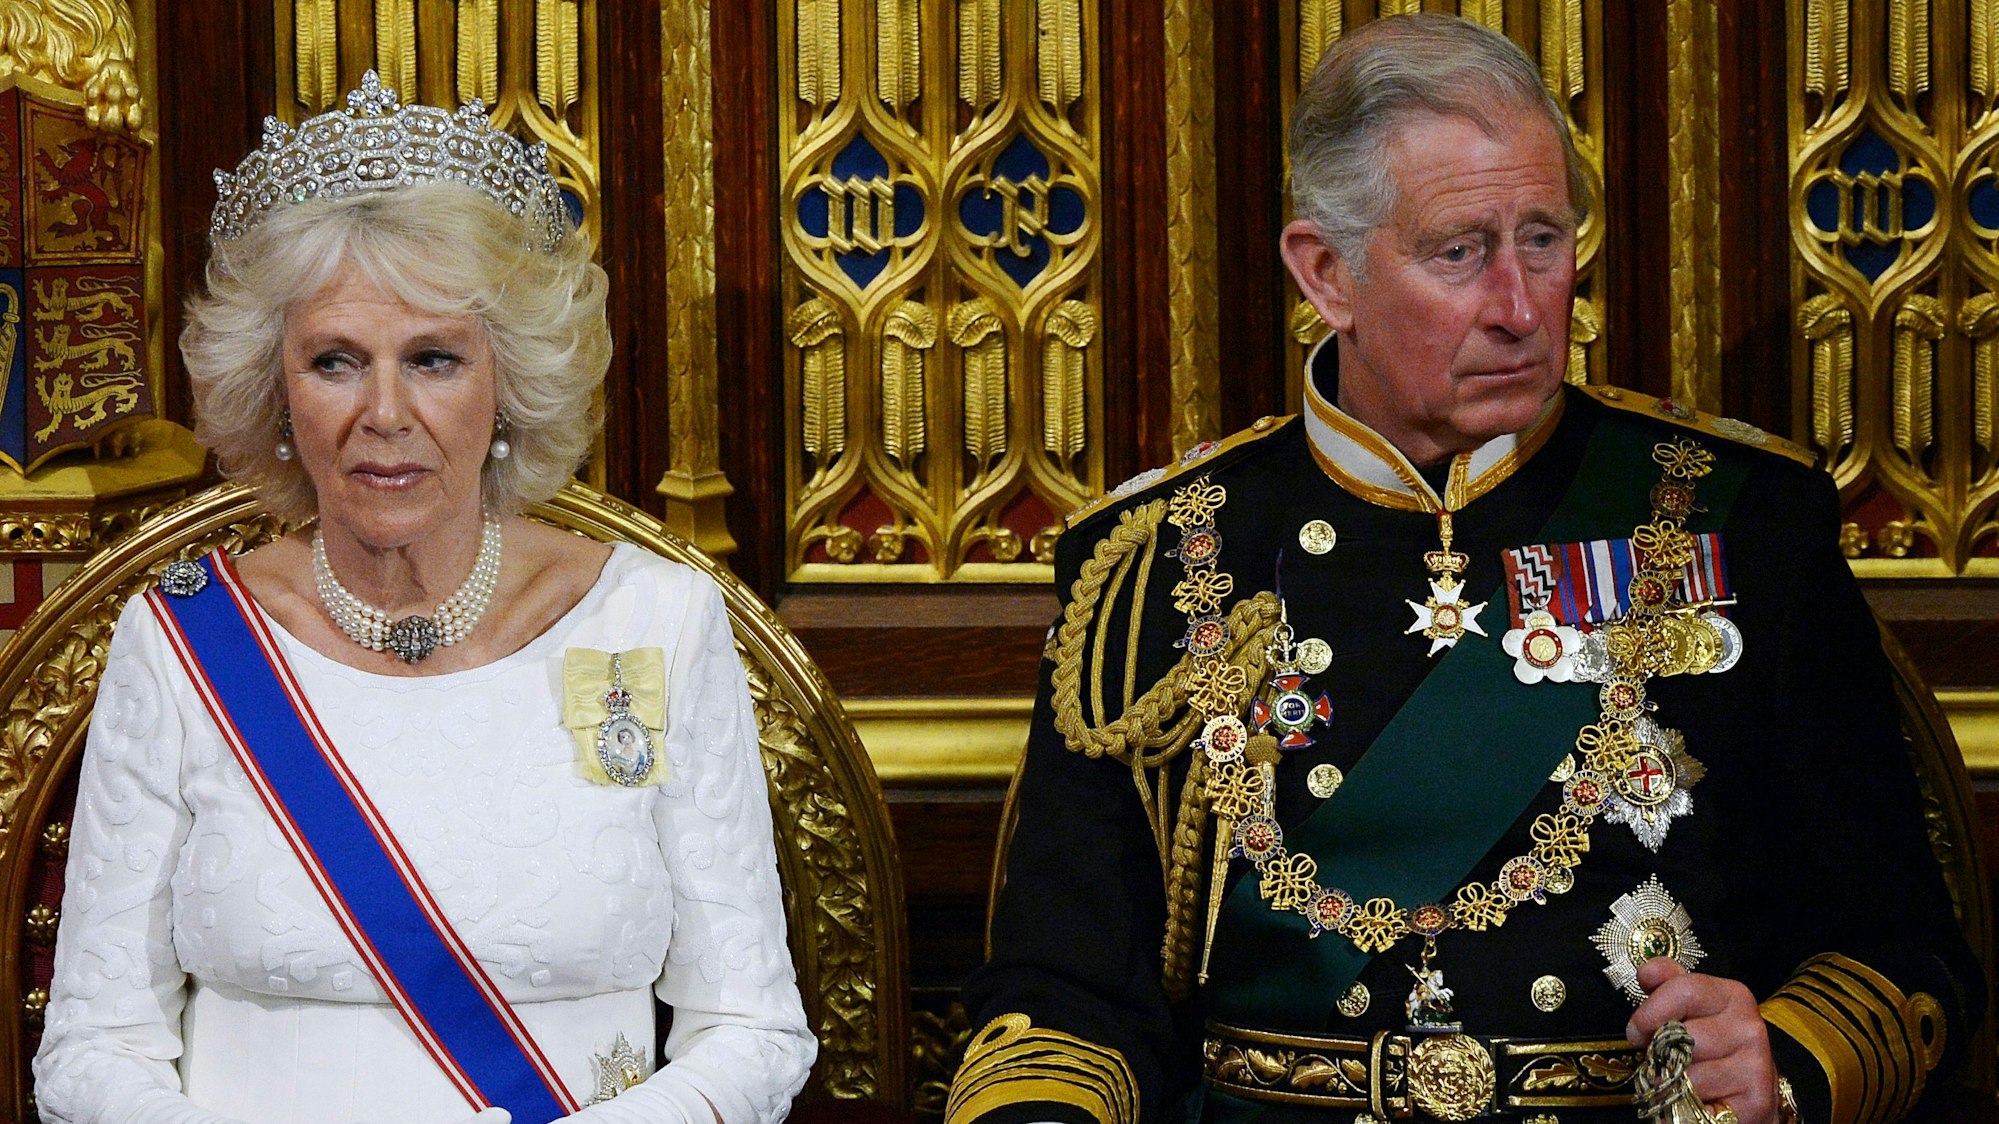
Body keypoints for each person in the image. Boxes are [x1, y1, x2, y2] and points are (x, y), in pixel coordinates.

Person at [946, 15, 1980, 1124]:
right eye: (1459, 251)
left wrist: (1782, 1059)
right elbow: (1063, 998)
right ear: (1325, 271)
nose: (1523, 305)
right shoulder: (1156, 559)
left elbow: (1903, 949)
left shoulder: (1739, 520)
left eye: (1543, 237)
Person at [33, 73, 814, 1124]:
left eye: (435, 357)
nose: (384, 412)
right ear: (276, 391)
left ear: (506, 384)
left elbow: (751, 1030)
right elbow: (93, 1050)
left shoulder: (657, 621)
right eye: (336, 360)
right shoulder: (182, 640)